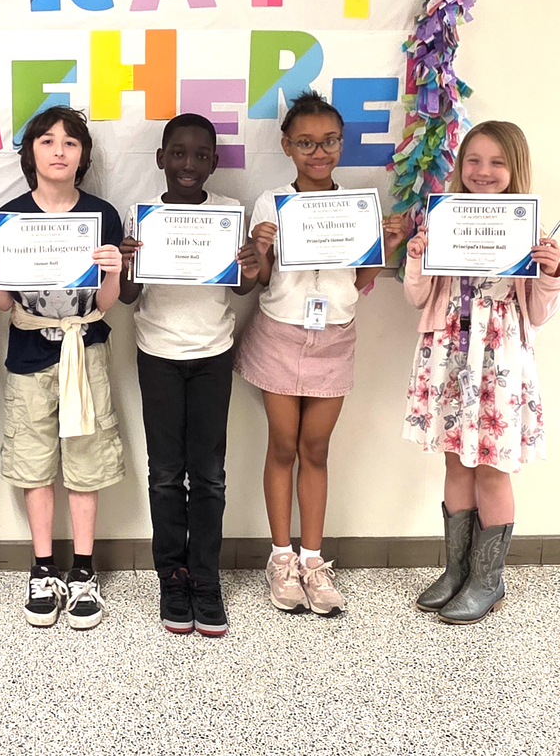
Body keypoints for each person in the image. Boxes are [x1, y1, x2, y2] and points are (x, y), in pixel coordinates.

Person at [235, 90, 404, 617]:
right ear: (287, 146)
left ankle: (313, 560)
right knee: (282, 445)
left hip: (334, 336)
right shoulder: (271, 203)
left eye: (329, 141)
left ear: (341, 144)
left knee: (316, 447)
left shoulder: (359, 206)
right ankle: (280, 557)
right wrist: (261, 248)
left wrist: (386, 245)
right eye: (306, 142)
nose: (318, 152)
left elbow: (362, 279)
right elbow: (263, 277)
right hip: (281, 333)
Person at [403, 120, 560, 623]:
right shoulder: (442, 220)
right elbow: (418, 297)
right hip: (449, 354)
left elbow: (538, 314)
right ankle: (458, 570)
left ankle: (488, 580)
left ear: (515, 167)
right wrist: (416, 258)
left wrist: (551, 273)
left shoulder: (530, 231)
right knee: (456, 464)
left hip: (499, 361)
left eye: (496, 162)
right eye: (473, 160)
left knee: (492, 469)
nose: (483, 171)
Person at [0, 106, 125, 630]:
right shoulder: (9, 218)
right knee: (33, 460)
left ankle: (83, 569)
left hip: (86, 349)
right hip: (29, 353)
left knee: (85, 456)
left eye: (70, 142)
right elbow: (1, 305)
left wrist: (114, 271)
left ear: (83, 156)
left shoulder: (102, 215)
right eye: (47, 141)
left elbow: (106, 302)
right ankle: (43, 567)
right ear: (30, 153)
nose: (59, 151)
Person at [118, 113, 260, 637]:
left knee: (209, 475)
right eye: (178, 153)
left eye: (201, 155)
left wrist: (250, 265)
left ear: (214, 163)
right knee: (163, 474)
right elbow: (128, 296)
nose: (189, 163)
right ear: (161, 158)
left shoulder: (227, 214)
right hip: (157, 353)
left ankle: (205, 577)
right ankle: (171, 578)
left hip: (212, 354)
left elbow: (242, 288)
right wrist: (126, 263)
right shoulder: (142, 217)